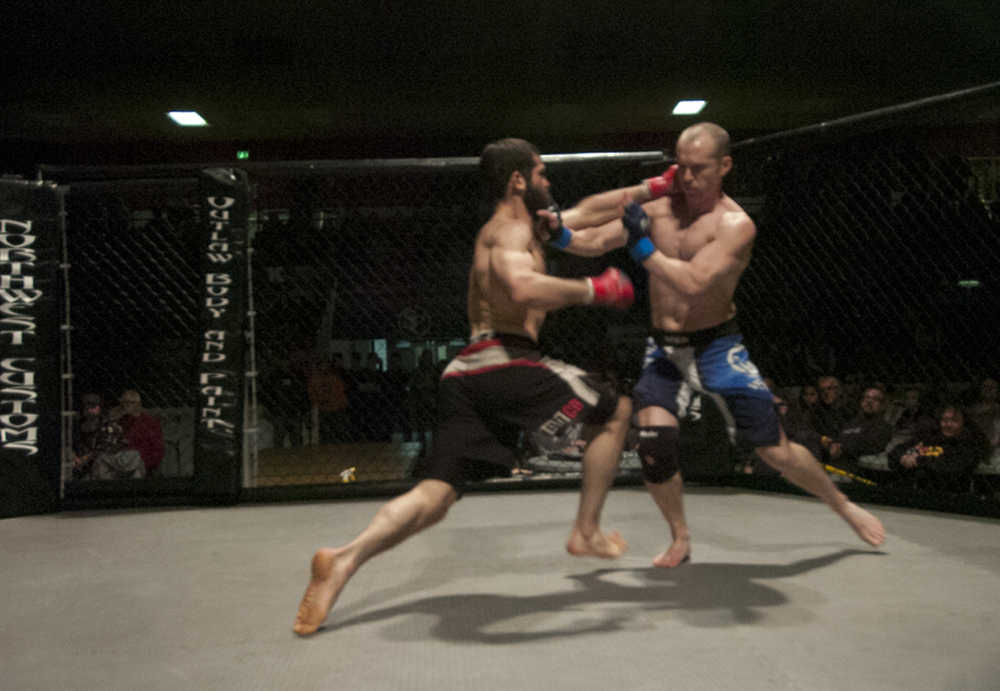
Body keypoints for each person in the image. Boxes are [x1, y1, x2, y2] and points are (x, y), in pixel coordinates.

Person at [292, 137, 636, 635]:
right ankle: (586, 531)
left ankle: (344, 559)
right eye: (542, 173)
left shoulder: (529, 226)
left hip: (468, 374)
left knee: (435, 496)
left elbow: (589, 216)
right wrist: (593, 289)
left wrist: (653, 191)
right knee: (617, 408)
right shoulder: (509, 230)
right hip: (504, 362)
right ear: (517, 180)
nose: (549, 181)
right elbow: (522, 288)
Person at [547, 122, 884, 566]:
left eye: (698, 168)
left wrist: (642, 245)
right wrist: (559, 233)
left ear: (725, 166)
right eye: (680, 167)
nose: (686, 178)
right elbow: (592, 241)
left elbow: (693, 282)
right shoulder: (662, 207)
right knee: (653, 444)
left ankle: (843, 505)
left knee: (773, 449)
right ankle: (680, 536)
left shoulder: (735, 224)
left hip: (716, 345)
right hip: (665, 346)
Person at [887, 404, 988, 494]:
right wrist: (904, 457)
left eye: (954, 421)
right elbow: (895, 453)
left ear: (964, 423)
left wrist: (917, 460)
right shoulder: (930, 438)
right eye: (944, 420)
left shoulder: (970, 443)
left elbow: (951, 469)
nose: (948, 424)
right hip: (913, 495)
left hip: (951, 498)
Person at [72, 393, 145, 480]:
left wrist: (86, 458)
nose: (88, 407)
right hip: (80, 466)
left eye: (93, 404)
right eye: (85, 404)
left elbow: (106, 450)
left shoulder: (108, 426)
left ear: (99, 407)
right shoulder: (75, 427)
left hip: (105, 468)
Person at [827, 385, 893, 477]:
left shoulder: (883, 426)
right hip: (834, 462)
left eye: (875, 399)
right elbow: (838, 438)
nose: (869, 401)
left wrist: (843, 447)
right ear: (861, 402)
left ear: (882, 405)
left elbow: (872, 445)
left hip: (855, 468)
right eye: (867, 397)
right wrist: (834, 444)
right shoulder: (850, 423)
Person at [114, 390, 164, 477]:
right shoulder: (120, 422)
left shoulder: (149, 423)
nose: (125, 406)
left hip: (140, 461)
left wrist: (146, 463)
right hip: (120, 460)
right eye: (124, 403)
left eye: (130, 403)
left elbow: (158, 450)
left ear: (138, 405)